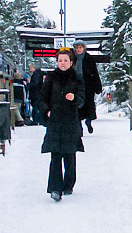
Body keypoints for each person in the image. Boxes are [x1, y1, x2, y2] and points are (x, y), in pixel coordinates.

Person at [40, 48, 83, 202]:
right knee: (56, 155)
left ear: (71, 62)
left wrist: (74, 97)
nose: (62, 63)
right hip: (55, 121)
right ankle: (55, 188)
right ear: (57, 62)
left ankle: (68, 184)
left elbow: (83, 99)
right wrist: (47, 111)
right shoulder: (50, 78)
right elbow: (43, 98)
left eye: (65, 60)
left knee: (70, 155)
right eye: (60, 61)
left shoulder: (77, 78)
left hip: (71, 121)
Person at [73, 41, 102, 134]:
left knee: (88, 105)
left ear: (84, 48)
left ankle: (88, 122)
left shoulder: (89, 59)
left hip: (88, 86)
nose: (78, 49)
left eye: (80, 47)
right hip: (76, 87)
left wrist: (97, 86)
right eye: (77, 48)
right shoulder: (72, 59)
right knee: (77, 107)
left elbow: (95, 73)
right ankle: (79, 128)